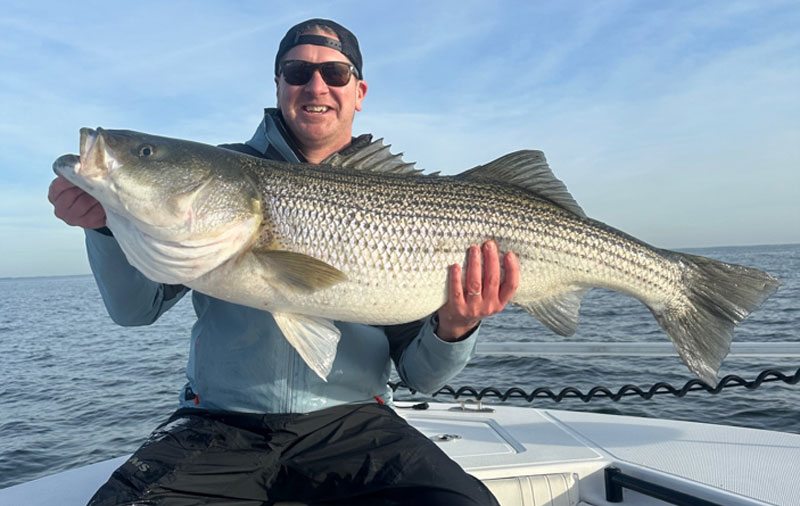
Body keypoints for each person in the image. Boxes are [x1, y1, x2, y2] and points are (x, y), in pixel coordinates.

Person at [48, 18, 519, 506]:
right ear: (278, 86)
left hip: (355, 423)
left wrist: (456, 327)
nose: (316, 86)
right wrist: (103, 228)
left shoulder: (403, 198)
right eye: (297, 72)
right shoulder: (226, 172)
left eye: (335, 74)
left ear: (358, 92)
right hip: (218, 424)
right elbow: (134, 310)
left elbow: (423, 378)